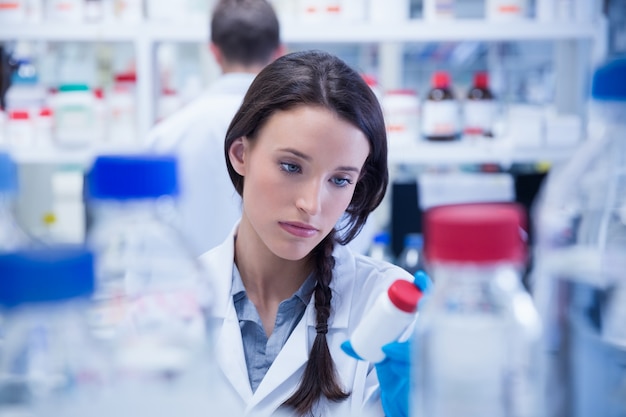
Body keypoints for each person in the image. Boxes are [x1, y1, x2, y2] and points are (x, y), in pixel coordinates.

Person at [200, 49, 426, 417]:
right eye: (291, 166)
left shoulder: (387, 310)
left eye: (340, 179)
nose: (312, 204)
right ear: (241, 154)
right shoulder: (169, 300)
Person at [146, 0, 285, 256]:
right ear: (279, 51)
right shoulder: (303, 131)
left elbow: (148, 239)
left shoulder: (168, 136)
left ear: (214, 51)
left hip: (190, 292)